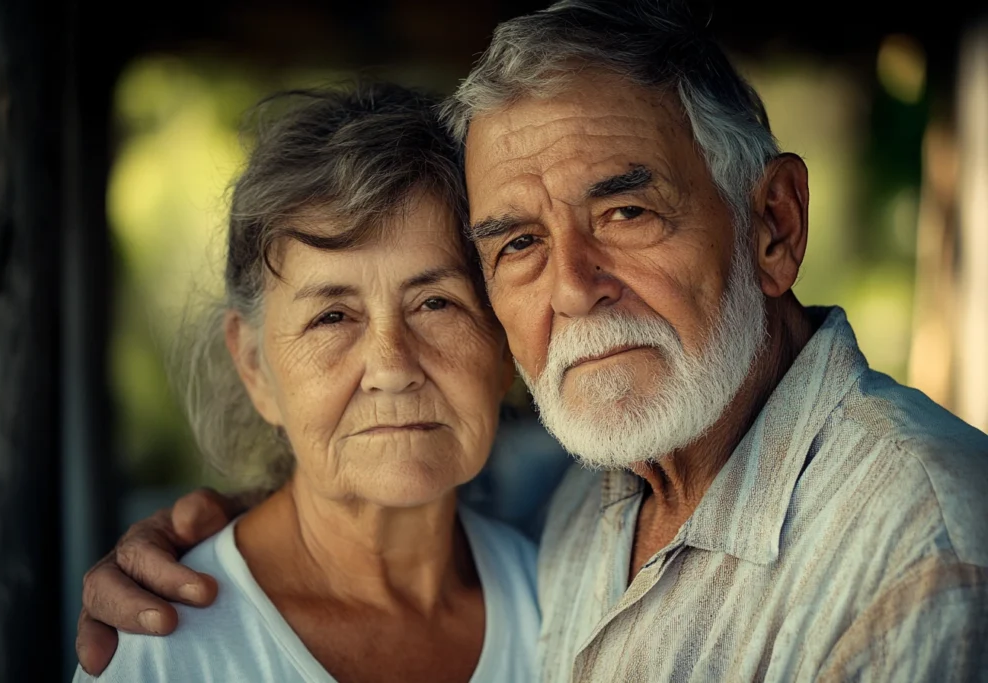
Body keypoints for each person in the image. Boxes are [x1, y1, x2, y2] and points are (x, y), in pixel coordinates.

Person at [79, 1, 988, 681]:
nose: (571, 288)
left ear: (775, 227)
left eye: (627, 210)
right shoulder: (575, 507)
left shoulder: (928, 547)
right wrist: (238, 526)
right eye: (518, 242)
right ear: (254, 365)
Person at [73, 82, 540, 682]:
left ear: (503, 347)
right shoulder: (165, 648)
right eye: (332, 316)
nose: (392, 367)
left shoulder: (558, 599)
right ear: (253, 367)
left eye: (435, 304)